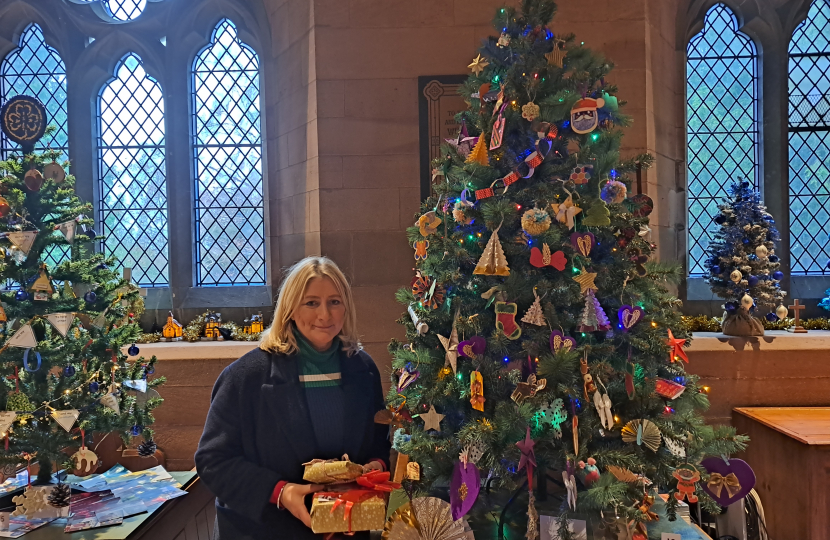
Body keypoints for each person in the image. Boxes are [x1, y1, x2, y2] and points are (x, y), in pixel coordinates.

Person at [195, 257, 390, 539]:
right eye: (311, 303)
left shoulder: (363, 369)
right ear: (290, 309)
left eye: (334, 302)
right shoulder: (246, 377)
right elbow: (213, 461)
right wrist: (280, 492)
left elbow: (377, 442)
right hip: (267, 529)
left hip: (344, 527)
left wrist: (374, 468)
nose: (325, 315)